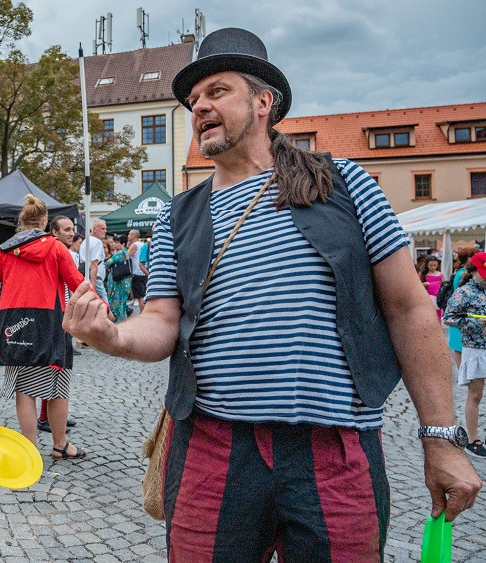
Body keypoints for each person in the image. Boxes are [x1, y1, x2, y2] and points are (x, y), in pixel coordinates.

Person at [63, 27, 479, 559]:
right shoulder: (178, 217)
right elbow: (163, 320)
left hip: (334, 449)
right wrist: (113, 333)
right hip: (214, 447)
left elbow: (410, 309)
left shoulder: (342, 184)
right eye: (194, 101)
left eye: (217, 92)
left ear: (264, 102)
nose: (200, 108)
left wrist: (440, 438)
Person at [0, 195, 87, 460]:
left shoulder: (4, 250)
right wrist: (101, 306)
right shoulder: (57, 248)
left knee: (24, 390)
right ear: (46, 221)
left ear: (21, 221)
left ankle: (30, 451)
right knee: (58, 385)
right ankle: (60, 445)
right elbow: (77, 282)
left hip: (15, 323)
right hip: (50, 322)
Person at [38, 215, 80, 434]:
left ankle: (53, 416)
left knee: (57, 368)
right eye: (66, 229)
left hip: (62, 313)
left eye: (72, 229)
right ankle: (46, 417)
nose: (71, 233)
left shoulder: (63, 250)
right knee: (54, 368)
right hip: (54, 315)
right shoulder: (53, 251)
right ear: (54, 232)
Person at [444, 252, 486, 459]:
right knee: (475, 395)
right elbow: (449, 318)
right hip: (476, 348)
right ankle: (473, 439)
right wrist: (476, 323)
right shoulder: (464, 292)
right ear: (473, 271)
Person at [449, 247, 479, 367]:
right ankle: (461, 371)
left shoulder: (461, 272)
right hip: (461, 312)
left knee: (460, 344)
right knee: (458, 345)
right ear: (469, 258)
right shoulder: (462, 273)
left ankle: (463, 371)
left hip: (462, 312)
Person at [104, 233, 131, 322]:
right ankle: (123, 321)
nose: (114, 244)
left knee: (117, 305)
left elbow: (107, 263)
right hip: (124, 281)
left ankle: (118, 323)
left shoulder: (120, 253)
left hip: (118, 282)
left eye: (116, 242)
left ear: (123, 244)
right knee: (122, 305)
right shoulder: (126, 252)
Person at [81, 219, 108, 303]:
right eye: (102, 229)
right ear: (95, 229)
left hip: (88, 276)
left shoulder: (86, 241)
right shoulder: (97, 242)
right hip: (95, 278)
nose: (105, 231)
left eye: (105, 229)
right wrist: (93, 284)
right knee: (105, 305)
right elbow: (94, 264)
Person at [126, 229, 149, 314]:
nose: (128, 236)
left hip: (137, 272)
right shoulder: (143, 244)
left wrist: (128, 246)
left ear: (133, 235)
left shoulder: (134, 245)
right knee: (143, 294)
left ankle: (143, 314)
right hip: (144, 271)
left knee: (140, 296)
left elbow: (126, 256)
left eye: (129, 234)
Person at [422, 255, 444, 321]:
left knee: (438, 314)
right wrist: (424, 284)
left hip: (438, 297)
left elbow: (444, 284)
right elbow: (418, 284)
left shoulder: (440, 274)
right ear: (427, 265)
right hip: (429, 297)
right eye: (431, 265)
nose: (433, 267)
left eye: (435, 265)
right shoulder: (424, 275)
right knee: (430, 313)